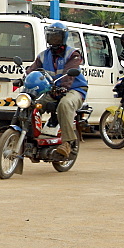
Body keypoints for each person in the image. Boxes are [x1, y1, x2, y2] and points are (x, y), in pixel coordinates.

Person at [26, 21, 87, 159]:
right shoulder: (43, 55)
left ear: (63, 38)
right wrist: (23, 78)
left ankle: (67, 143)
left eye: (57, 37)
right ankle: (27, 135)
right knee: (30, 103)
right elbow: (32, 70)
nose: (53, 40)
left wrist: (63, 87)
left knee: (64, 105)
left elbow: (69, 74)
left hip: (74, 89)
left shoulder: (72, 54)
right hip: (52, 89)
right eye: (51, 37)